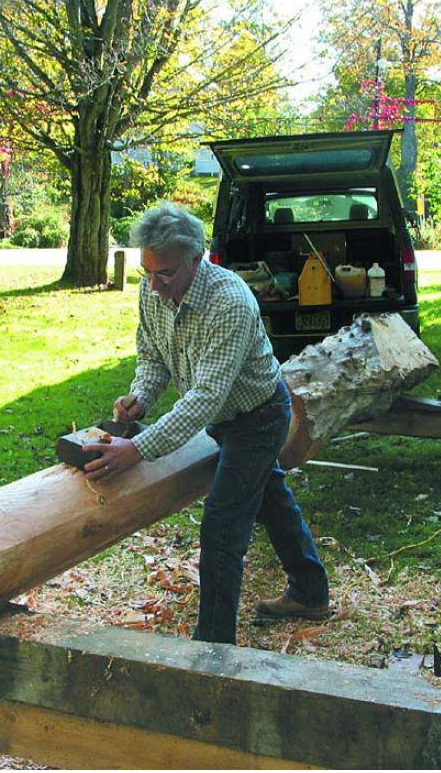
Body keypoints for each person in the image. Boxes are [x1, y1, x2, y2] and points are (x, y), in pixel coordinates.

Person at [82, 202, 329, 645]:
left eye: (166, 274)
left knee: (222, 525)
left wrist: (135, 449)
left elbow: (204, 398)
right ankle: (310, 591)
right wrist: (141, 397)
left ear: (198, 259)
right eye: (147, 273)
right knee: (270, 496)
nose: (154, 286)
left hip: (259, 416)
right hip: (222, 416)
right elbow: (153, 355)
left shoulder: (229, 302)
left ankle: (213, 646)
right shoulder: (153, 290)